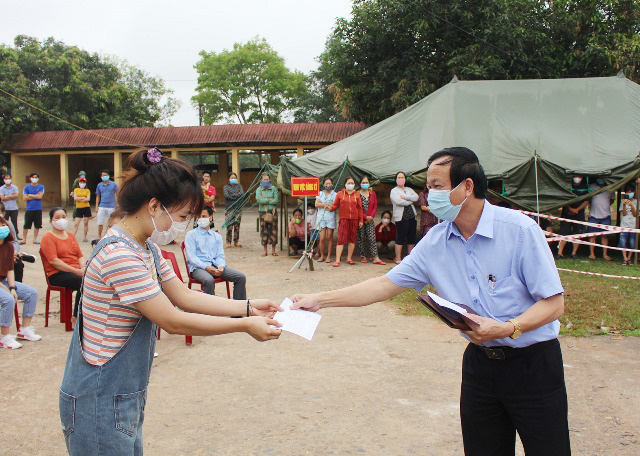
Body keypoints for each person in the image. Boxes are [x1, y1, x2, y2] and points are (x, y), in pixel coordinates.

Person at [292, 147, 570, 455]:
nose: (429, 196)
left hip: (534, 365)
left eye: (437, 187)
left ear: (467, 187)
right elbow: (383, 284)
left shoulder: (518, 230)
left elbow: (554, 304)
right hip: (481, 366)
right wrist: (319, 299)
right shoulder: (436, 241)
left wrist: (508, 327)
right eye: (427, 188)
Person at [59, 148, 281, 455]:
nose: (182, 226)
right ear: (153, 206)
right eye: (180, 217)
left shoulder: (145, 247)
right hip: (98, 398)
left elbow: (184, 296)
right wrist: (244, 325)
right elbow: (172, 320)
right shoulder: (120, 255)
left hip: (121, 394)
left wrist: (248, 306)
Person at [185, 206, 247, 299]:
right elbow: (192, 257)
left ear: (210, 217)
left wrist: (221, 266)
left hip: (215, 266)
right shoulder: (191, 235)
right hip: (198, 268)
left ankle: (239, 310)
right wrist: (206, 267)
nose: (201, 218)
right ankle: (210, 311)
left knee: (240, 277)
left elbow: (220, 255)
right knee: (209, 280)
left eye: (204, 216)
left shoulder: (216, 236)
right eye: (199, 216)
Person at [0, 215, 41, 349]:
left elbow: (10, 269)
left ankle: (25, 330)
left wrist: (12, 287)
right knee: (8, 300)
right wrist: (8, 291)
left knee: (31, 293)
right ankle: (4, 337)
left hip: (4, 281)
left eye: (2, 225)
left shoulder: (9, 247)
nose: (2, 228)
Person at [41, 208, 86, 322]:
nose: (61, 220)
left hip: (75, 272)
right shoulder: (48, 237)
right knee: (83, 282)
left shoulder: (71, 236)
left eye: (64, 216)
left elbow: (79, 256)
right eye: (57, 217)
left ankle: (89, 316)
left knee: (94, 280)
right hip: (57, 274)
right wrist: (76, 271)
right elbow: (54, 261)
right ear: (51, 221)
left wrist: (83, 269)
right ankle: (76, 317)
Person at [328, 176, 363, 267]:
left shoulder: (357, 194)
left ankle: (349, 258)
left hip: (354, 219)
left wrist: (361, 220)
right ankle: (337, 260)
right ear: (345, 184)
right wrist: (330, 208)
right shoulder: (340, 193)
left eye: (352, 183)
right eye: (349, 183)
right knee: (341, 239)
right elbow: (335, 205)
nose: (350, 185)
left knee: (352, 239)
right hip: (343, 219)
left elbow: (359, 208)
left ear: (354, 184)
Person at [0, 202, 36, 284]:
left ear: (3, 213)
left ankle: (16, 288)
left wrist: (14, 252)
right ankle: (22, 256)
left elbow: (14, 241)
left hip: (7, 252)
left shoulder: (7, 224)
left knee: (18, 264)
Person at [557, 176, 590, 259]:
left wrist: (577, 209)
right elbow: (563, 199)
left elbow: (587, 200)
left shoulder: (586, 186)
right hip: (566, 213)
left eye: (579, 176)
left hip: (579, 213)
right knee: (563, 232)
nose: (577, 178)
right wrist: (570, 209)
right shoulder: (567, 185)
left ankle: (574, 253)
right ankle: (559, 253)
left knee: (578, 233)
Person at [390, 171, 419, 264]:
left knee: (411, 237)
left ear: (405, 179)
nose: (401, 179)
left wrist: (405, 197)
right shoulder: (394, 191)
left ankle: (410, 258)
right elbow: (399, 202)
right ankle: (398, 258)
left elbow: (416, 197)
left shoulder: (409, 189)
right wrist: (410, 199)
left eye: (402, 177)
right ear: (396, 179)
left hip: (412, 216)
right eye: (399, 177)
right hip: (401, 217)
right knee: (400, 237)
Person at [357, 176, 385, 265]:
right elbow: (357, 207)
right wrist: (365, 217)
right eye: (363, 182)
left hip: (370, 219)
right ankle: (363, 256)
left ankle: (375, 257)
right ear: (360, 183)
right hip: (360, 219)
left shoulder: (372, 193)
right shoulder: (357, 194)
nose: (365, 184)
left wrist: (371, 216)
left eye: (366, 182)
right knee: (361, 238)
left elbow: (375, 206)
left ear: (369, 183)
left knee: (372, 238)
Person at [586, 179, 614, 260]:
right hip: (593, 215)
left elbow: (612, 200)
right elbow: (588, 199)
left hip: (606, 216)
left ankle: (605, 254)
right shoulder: (591, 186)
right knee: (592, 236)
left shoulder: (611, 187)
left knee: (605, 236)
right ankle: (592, 254)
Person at [256, 173, 279, 256]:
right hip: (262, 212)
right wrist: (269, 199)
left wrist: (264, 200)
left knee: (274, 231)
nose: (266, 181)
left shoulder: (274, 189)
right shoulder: (259, 189)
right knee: (263, 231)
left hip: (272, 212)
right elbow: (258, 200)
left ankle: (273, 250)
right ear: (261, 180)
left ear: (270, 179)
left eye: (267, 179)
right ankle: (265, 251)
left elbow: (276, 200)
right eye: (264, 179)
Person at [315, 177, 337, 263]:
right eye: (326, 184)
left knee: (330, 237)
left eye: (329, 184)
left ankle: (328, 256)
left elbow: (334, 206)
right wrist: (325, 205)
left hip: (331, 218)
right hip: (321, 218)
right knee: (322, 238)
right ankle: (322, 256)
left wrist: (326, 205)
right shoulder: (320, 193)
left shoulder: (335, 194)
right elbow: (316, 204)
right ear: (323, 185)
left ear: (332, 184)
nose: (328, 185)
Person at [22, 172, 44, 245]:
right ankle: (24, 240)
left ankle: (34, 240)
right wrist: (35, 196)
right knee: (26, 225)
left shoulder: (41, 187)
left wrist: (30, 195)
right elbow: (24, 198)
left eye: (36, 177)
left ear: (38, 179)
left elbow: (40, 196)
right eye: (33, 177)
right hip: (29, 209)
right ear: (30, 178)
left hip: (38, 208)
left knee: (37, 225)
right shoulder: (26, 187)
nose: (35, 179)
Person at [95, 169, 119, 238]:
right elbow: (98, 196)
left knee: (111, 222)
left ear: (108, 176)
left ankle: (110, 235)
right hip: (102, 206)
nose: (104, 176)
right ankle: (99, 236)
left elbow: (117, 195)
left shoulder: (114, 184)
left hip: (111, 207)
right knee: (100, 223)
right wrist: (96, 206)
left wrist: (117, 205)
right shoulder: (99, 185)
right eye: (102, 175)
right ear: (101, 177)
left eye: (105, 175)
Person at [223, 172, 244, 248]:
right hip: (229, 209)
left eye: (234, 178)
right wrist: (236, 196)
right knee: (229, 226)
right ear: (229, 179)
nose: (233, 179)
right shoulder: (226, 187)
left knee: (237, 226)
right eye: (232, 178)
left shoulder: (239, 186)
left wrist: (232, 195)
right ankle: (228, 242)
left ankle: (236, 241)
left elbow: (241, 194)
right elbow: (226, 195)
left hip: (238, 209)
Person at [619, 185, 638, 265]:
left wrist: (632, 206)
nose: (629, 193)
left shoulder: (637, 202)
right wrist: (624, 205)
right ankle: (625, 258)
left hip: (633, 225)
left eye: (631, 191)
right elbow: (623, 213)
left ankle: (629, 258)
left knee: (632, 242)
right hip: (624, 224)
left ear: (634, 192)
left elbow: (635, 214)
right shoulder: (623, 201)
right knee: (623, 241)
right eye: (628, 191)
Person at [1, 173, 21, 240]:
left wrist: (7, 196)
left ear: (11, 179)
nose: (8, 180)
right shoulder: (1, 188)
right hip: (5, 209)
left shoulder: (14, 187)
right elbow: (2, 198)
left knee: (14, 222)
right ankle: (7, 236)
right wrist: (11, 196)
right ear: (4, 180)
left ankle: (16, 235)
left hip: (14, 208)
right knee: (5, 222)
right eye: (6, 179)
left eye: (9, 178)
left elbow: (16, 196)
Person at [72, 177, 91, 242]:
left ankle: (85, 237)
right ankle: (73, 236)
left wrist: (79, 198)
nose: (82, 183)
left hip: (86, 208)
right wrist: (83, 198)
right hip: (79, 208)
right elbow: (75, 198)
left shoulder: (87, 190)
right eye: (81, 182)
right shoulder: (76, 189)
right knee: (76, 224)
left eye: (83, 182)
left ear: (85, 183)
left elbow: (88, 199)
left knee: (86, 223)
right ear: (79, 183)